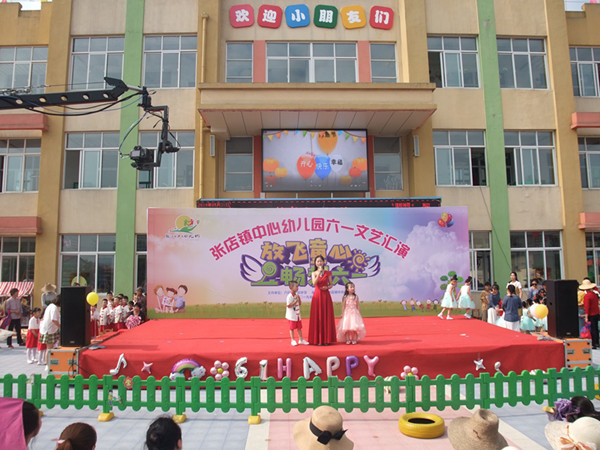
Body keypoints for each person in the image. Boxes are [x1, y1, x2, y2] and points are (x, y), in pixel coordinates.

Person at [308, 255, 336, 345]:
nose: (319, 263)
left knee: (326, 316)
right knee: (318, 316)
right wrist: (319, 273)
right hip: (317, 296)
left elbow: (331, 284)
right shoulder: (314, 273)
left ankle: (326, 340)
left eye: (321, 261)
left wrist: (327, 287)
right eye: (318, 261)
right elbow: (314, 283)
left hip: (326, 295)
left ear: (324, 262)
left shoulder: (328, 273)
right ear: (315, 263)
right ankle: (318, 340)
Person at [38, 295, 61, 364]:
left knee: (51, 347)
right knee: (49, 348)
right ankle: (47, 364)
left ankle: (49, 363)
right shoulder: (54, 308)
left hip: (50, 329)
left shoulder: (50, 306)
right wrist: (60, 327)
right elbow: (54, 319)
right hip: (49, 330)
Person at [286, 280, 309, 346]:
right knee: (292, 328)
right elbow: (288, 305)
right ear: (291, 287)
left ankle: (301, 339)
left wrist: (299, 298)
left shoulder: (296, 295)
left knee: (299, 327)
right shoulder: (289, 296)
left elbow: (300, 303)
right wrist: (294, 302)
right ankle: (292, 340)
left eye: (297, 286)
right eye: (296, 286)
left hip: (297, 315)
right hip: (292, 316)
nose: (297, 288)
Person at [580, 278, 599, 349]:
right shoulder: (594, 294)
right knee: (595, 328)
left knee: (591, 329)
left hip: (591, 314)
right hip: (596, 313)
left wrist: (586, 317)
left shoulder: (587, 296)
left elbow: (587, 307)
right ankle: (597, 342)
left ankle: (593, 343)